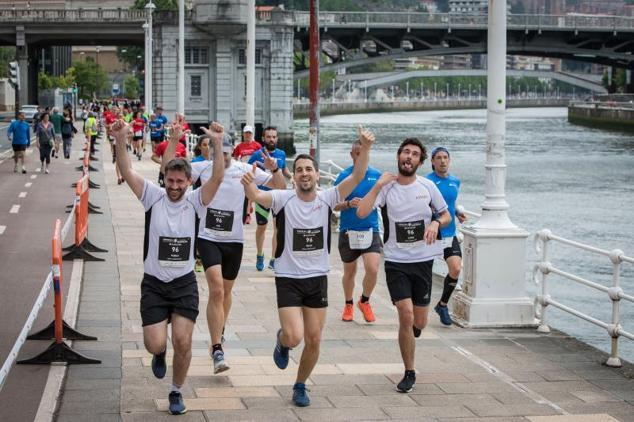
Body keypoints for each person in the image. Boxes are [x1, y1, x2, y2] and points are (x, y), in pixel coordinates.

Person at [241, 126, 375, 407]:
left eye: (309, 169)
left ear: (316, 174)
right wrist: (249, 182)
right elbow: (257, 196)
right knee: (294, 336)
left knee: (314, 339)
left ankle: (300, 385)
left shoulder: (327, 197)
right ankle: (282, 341)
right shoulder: (282, 198)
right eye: (299, 169)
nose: (304, 173)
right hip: (288, 278)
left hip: (317, 278)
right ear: (295, 175)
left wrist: (365, 147)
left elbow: (358, 176)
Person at [110, 118, 225, 416]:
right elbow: (126, 169)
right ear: (165, 179)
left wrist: (217, 143)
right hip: (154, 283)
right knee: (154, 343)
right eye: (171, 181)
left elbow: (217, 179)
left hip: (184, 283)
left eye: (180, 182)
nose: (174, 187)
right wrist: (121, 138)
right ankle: (159, 354)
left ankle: (176, 391)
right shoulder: (153, 197)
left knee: (183, 341)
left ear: (188, 182)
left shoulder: (197, 202)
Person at [166, 131, 285, 374]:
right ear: (210, 151)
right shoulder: (202, 167)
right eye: (219, 152)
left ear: (234, 153)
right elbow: (168, 166)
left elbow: (281, 191)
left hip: (234, 240)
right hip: (208, 237)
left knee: (226, 292)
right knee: (216, 288)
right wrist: (174, 141)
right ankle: (217, 347)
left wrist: (274, 170)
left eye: (228, 153)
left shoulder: (245, 169)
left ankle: (218, 329)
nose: (224, 157)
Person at [356, 138, 451, 394]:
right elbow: (363, 212)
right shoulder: (387, 188)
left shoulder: (428, 186)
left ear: (420, 162)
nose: (409, 157)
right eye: (405, 152)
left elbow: (446, 214)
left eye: (415, 154)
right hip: (396, 262)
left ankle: (414, 331)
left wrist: (435, 223)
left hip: (423, 261)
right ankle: (409, 371)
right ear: (399, 157)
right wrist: (377, 185)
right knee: (406, 315)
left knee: (419, 321)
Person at [333, 140, 382, 323]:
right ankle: (348, 304)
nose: (360, 155)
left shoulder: (376, 175)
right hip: (348, 230)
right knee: (350, 271)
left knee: (373, 268)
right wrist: (347, 204)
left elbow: (386, 199)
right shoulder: (345, 176)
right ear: (352, 154)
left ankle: (365, 301)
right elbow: (333, 203)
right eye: (356, 152)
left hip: (371, 229)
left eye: (363, 152)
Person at [426, 147, 466, 326]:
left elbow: (449, 203)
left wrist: (457, 212)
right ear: (432, 161)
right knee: (424, 272)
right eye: (439, 158)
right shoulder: (427, 182)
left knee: (456, 269)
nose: (443, 161)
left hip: (450, 232)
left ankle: (442, 305)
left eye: (445, 158)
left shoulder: (455, 181)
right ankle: (418, 307)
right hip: (432, 232)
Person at [248, 126, 292, 271]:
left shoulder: (281, 154)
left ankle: (274, 259)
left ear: (277, 138)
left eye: (274, 137)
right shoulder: (256, 155)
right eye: (268, 137)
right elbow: (249, 175)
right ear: (263, 138)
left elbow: (283, 169)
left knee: (278, 228)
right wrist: (250, 198)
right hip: (262, 197)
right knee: (261, 227)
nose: (271, 139)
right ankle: (260, 254)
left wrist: (291, 177)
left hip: (278, 196)